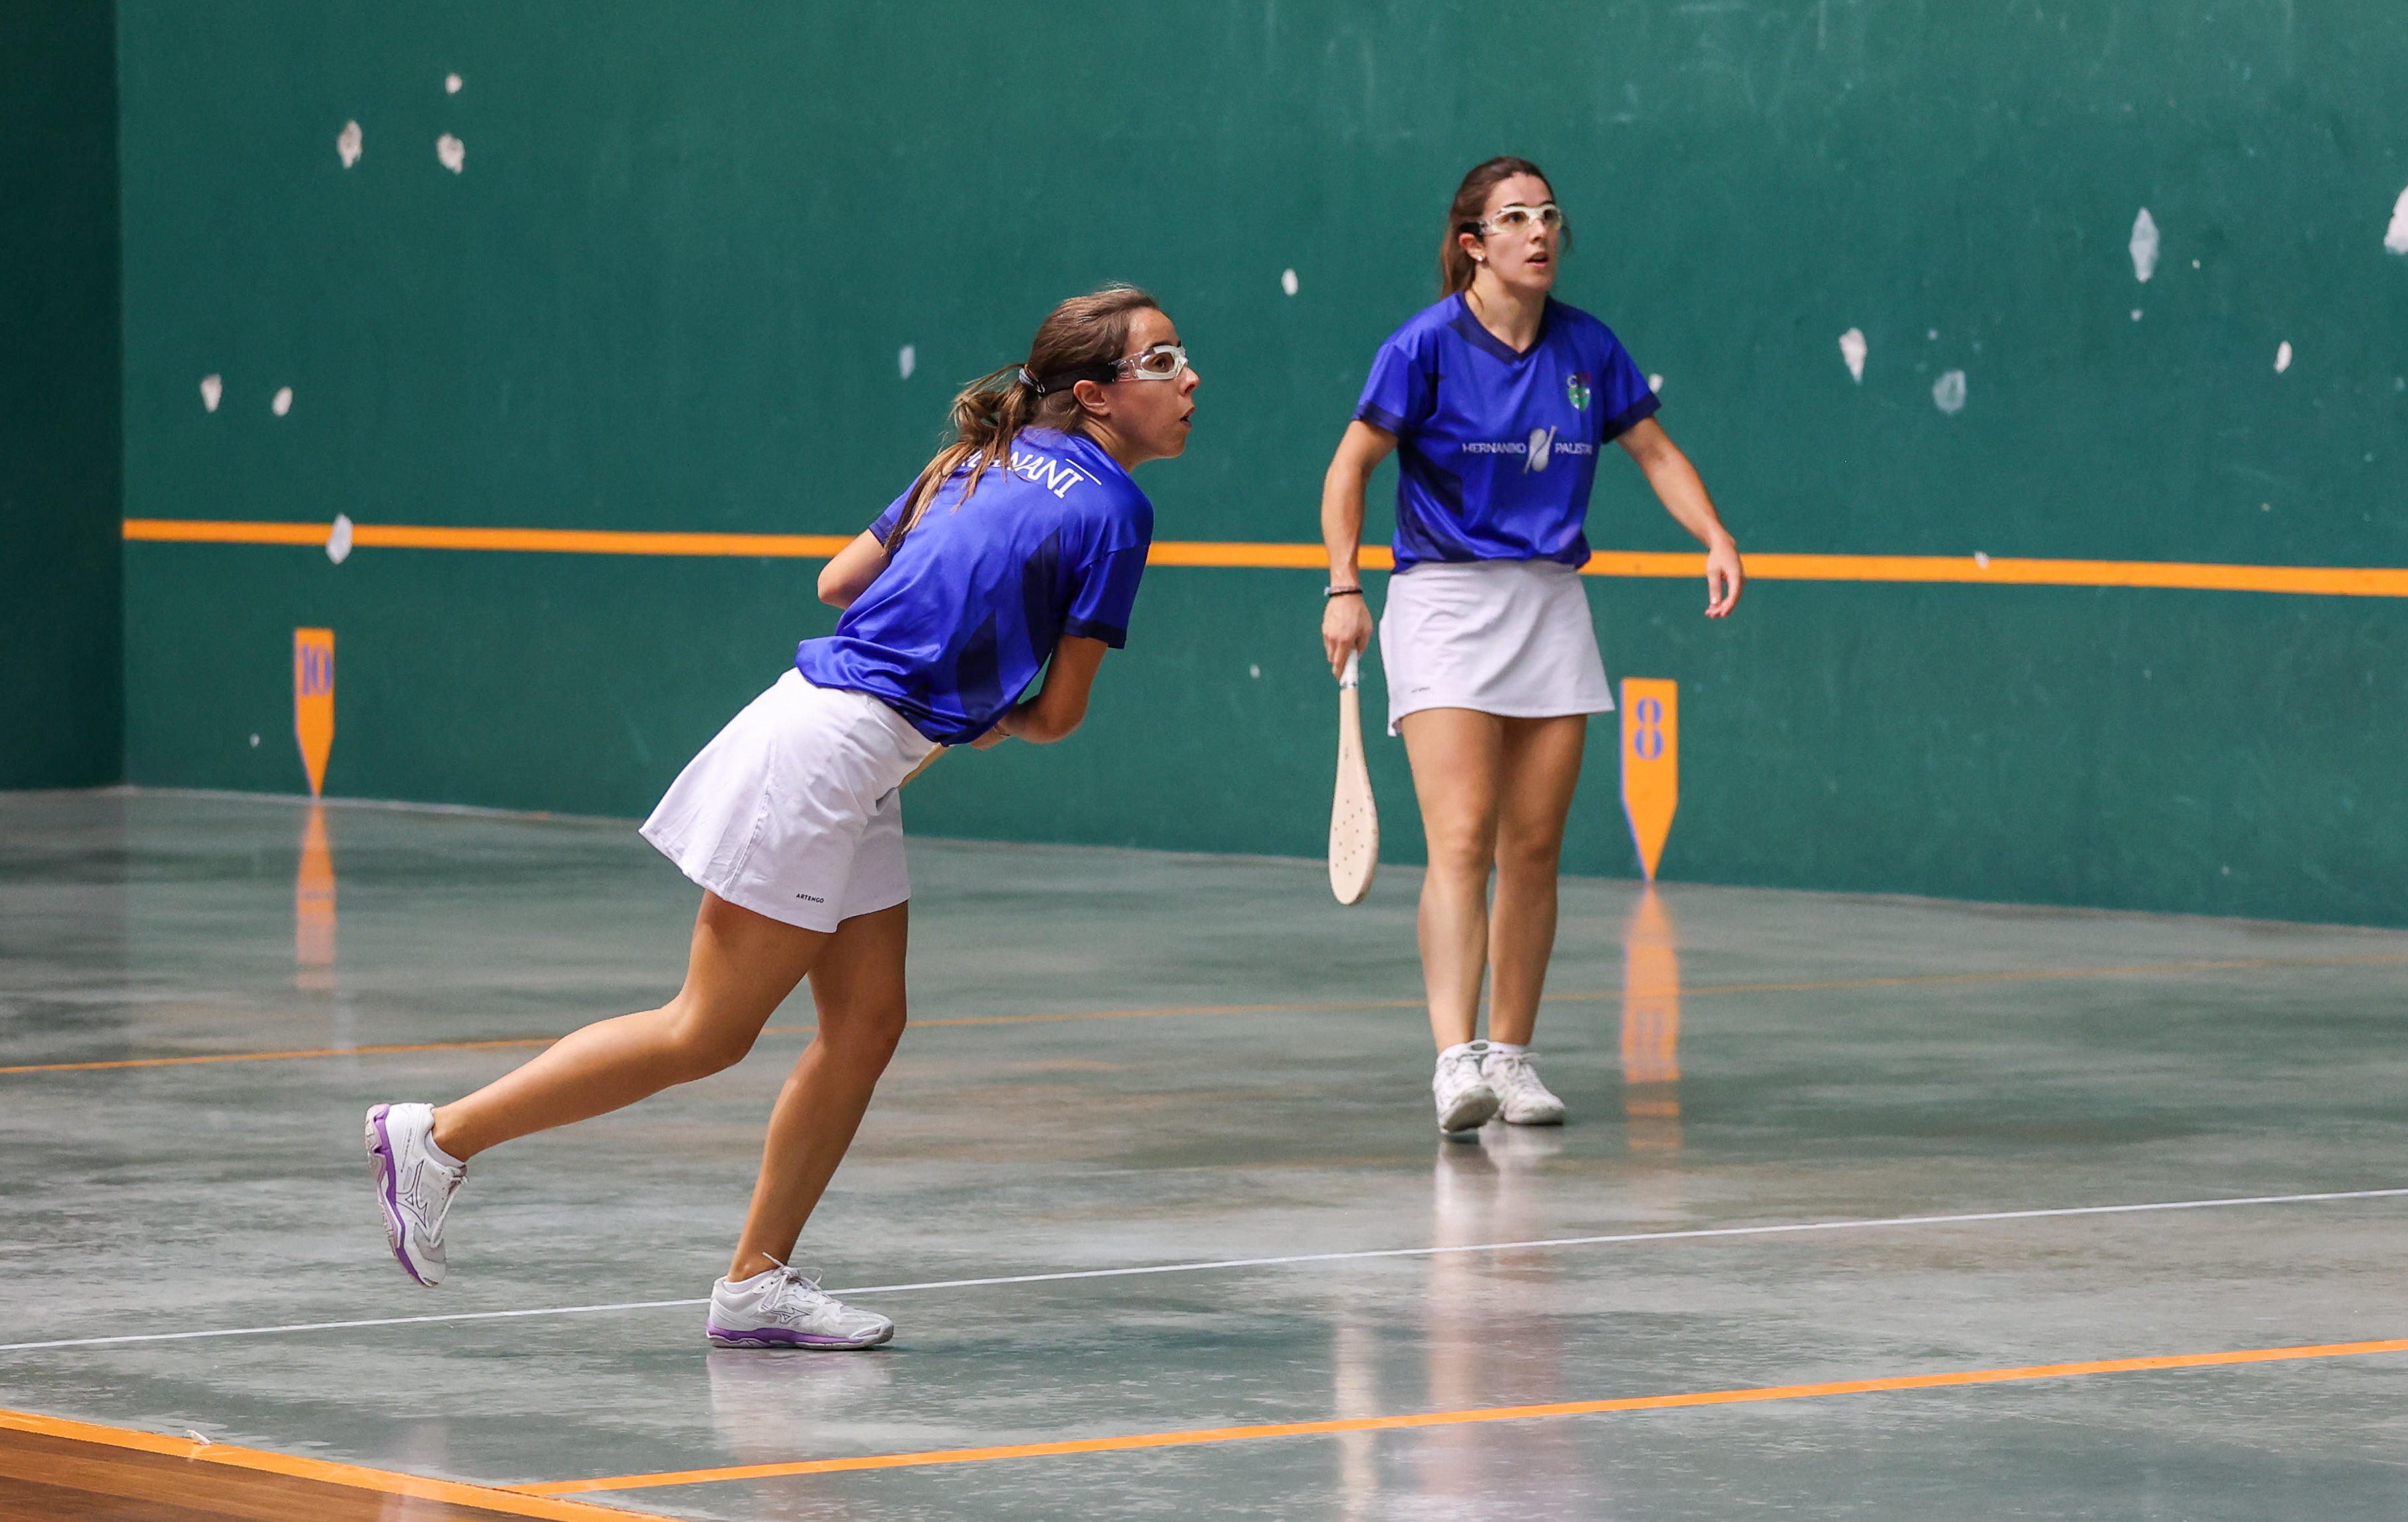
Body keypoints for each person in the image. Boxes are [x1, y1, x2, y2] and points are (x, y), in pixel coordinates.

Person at [363, 286, 1196, 1348]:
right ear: (1095, 394)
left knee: (866, 1026)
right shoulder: (1116, 510)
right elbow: (1062, 714)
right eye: (1162, 362)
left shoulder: (971, 459)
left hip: (842, 744)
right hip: (826, 755)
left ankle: (756, 1284)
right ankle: (437, 1137)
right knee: (705, 1030)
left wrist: (943, 637)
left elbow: (838, 579)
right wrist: (985, 706)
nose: (1188, 381)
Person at [1318, 156, 1741, 1138]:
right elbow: (1350, 469)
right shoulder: (1421, 348)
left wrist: (1713, 535)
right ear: (1474, 243)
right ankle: (1452, 1059)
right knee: (1461, 839)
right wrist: (1344, 583)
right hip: (1444, 605)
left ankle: (1512, 1058)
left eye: (1550, 214)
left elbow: (1656, 452)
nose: (1541, 232)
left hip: (1551, 606)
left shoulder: (1588, 347)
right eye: (1516, 218)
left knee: (1536, 847)